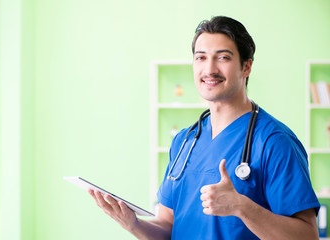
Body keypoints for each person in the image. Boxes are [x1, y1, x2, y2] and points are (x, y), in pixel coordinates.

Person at [89, 16, 320, 239]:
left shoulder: (274, 142)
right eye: (201, 58)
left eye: (223, 58)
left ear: (246, 67)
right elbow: (168, 227)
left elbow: (307, 237)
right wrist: (134, 224)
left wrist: (242, 207)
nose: (209, 69)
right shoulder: (184, 141)